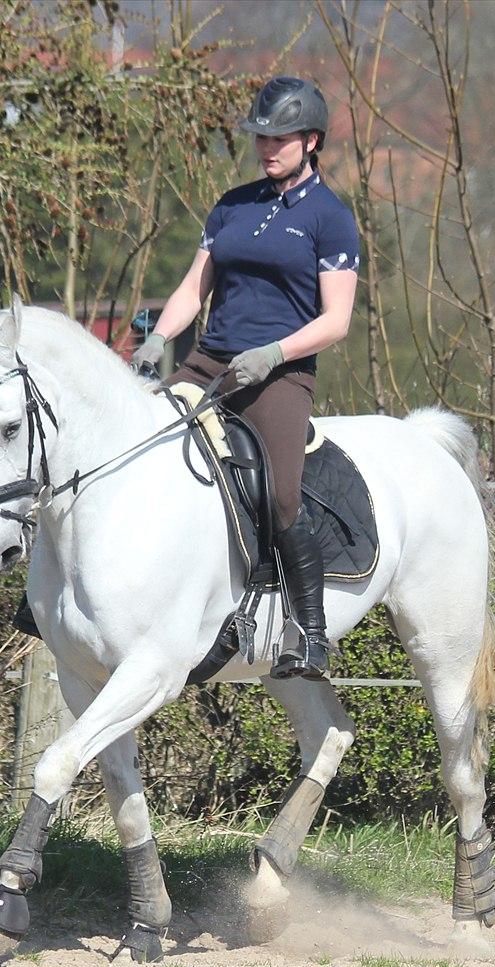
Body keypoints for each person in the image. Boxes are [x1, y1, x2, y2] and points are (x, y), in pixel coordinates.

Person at [132, 76, 359, 680]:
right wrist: (160, 337)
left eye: (280, 138)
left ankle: (309, 632)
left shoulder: (330, 219)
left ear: (311, 141)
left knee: (282, 495)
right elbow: (194, 286)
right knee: (141, 445)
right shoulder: (232, 203)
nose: (267, 147)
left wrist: (275, 353)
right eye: (261, 136)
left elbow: (336, 320)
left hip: (277, 376)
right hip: (210, 362)